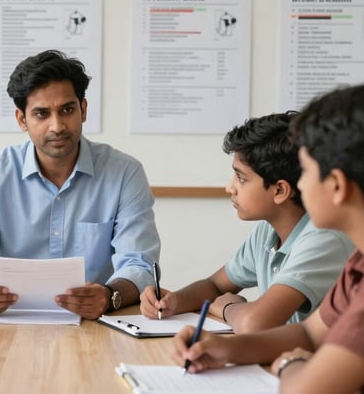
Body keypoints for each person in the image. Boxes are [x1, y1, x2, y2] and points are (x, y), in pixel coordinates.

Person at [172, 84, 364, 393]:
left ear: (337, 185)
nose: (299, 184)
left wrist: (292, 364)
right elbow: (309, 334)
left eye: (305, 171)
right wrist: (225, 349)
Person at [0, 50, 161, 320]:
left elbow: (139, 263)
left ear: (83, 109)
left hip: (97, 325)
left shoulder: (124, 173)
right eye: (41, 114)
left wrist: (109, 296)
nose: (57, 126)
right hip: (12, 323)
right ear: (22, 119)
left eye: (67, 110)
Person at [140, 112, 353, 333]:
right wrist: (174, 301)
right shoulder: (268, 230)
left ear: (279, 190)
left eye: (241, 178)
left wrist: (229, 307)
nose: (229, 187)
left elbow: (255, 323)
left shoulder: (324, 238)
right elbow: (215, 285)